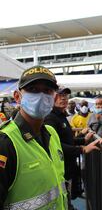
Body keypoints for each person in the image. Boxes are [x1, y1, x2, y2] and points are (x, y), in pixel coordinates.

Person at [0, 65, 67, 209]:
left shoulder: (51, 133)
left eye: (47, 91)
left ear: (53, 97)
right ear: (17, 96)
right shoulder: (5, 143)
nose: (41, 96)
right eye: (33, 90)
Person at [44, 87, 102, 208]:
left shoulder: (60, 116)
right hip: (61, 170)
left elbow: (67, 139)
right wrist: (82, 149)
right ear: (51, 97)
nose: (64, 98)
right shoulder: (50, 118)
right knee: (64, 200)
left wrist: (83, 139)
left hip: (68, 168)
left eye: (65, 95)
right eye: (60, 95)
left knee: (68, 198)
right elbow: (56, 145)